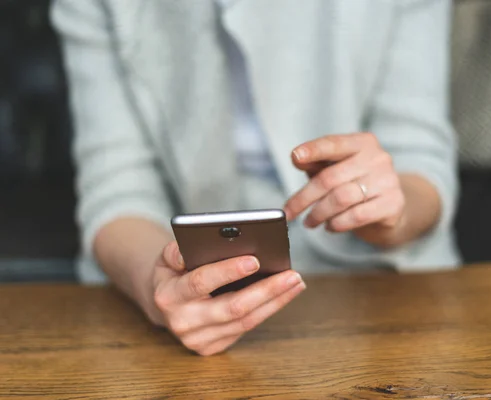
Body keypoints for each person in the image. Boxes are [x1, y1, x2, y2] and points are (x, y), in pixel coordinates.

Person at [51, 0, 459, 356]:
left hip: (388, 286)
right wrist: (157, 286)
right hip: (187, 280)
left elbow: (421, 159)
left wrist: (389, 211)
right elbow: (116, 189)